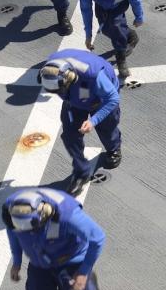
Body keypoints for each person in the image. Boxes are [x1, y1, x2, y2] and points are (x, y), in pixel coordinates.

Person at [38, 50, 122, 195]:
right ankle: (81, 172)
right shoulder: (50, 68)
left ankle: (113, 148)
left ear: (69, 79)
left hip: (101, 100)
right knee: (70, 136)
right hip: (74, 100)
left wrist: (93, 121)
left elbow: (112, 98)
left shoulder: (94, 77)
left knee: (107, 128)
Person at [78, 0, 144, 82]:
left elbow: (135, 0)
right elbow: (86, 9)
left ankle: (121, 59)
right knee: (106, 29)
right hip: (101, 6)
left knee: (116, 27)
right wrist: (88, 35)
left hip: (118, 4)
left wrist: (139, 17)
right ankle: (130, 35)